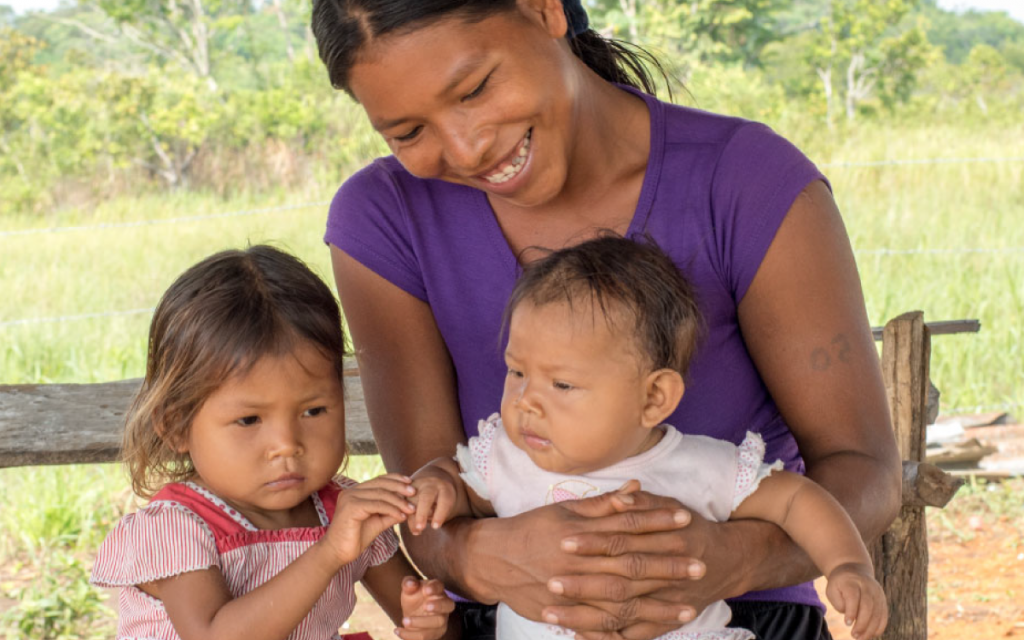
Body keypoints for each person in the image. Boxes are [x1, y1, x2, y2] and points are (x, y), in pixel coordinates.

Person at [310, 1, 902, 638]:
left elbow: (863, 468)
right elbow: (428, 501)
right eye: (407, 133)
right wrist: (482, 559)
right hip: (510, 619)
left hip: (742, 612)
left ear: (543, 11)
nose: (467, 147)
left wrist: (725, 560)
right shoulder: (385, 217)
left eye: (476, 88)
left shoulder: (748, 181)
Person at [408, 236, 888, 640]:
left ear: (654, 397)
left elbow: (796, 501)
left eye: (562, 384)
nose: (526, 401)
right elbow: (455, 489)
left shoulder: (696, 466)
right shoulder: (506, 461)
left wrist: (847, 565)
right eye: (517, 372)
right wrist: (436, 482)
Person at [90, 245, 454, 640]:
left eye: (313, 411)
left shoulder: (347, 513)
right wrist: (330, 553)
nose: (286, 445)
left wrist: (428, 620)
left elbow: (438, 626)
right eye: (248, 420)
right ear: (177, 425)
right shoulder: (176, 530)